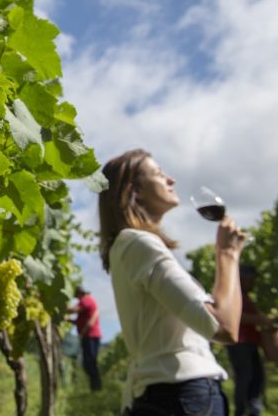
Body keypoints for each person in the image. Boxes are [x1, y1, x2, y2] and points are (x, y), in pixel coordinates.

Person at [99, 149, 246, 416]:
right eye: (159, 174)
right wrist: (228, 254)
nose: (172, 180)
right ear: (136, 190)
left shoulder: (126, 246)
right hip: (183, 396)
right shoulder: (138, 243)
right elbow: (224, 326)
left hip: (163, 396)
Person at [227, 264, 272, 416]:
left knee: (257, 378)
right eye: (250, 280)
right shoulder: (234, 296)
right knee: (245, 379)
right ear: (242, 279)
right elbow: (236, 317)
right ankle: (242, 411)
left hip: (249, 344)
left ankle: (253, 409)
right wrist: (260, 319)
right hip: (240, 344)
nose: (253, 283)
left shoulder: (246, 298)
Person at [67, 286, 103, 391]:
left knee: (90, 362)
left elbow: (73, 310)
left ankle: (96, 387)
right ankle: (95, 387)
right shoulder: (87, 302)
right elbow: (78, 322)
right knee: (88, 362)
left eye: (77, 297)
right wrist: (68, 320)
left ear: (81, 293)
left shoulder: (86, 300)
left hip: (91, 336)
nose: (78, 300)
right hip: (89, 336)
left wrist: (58, 307)